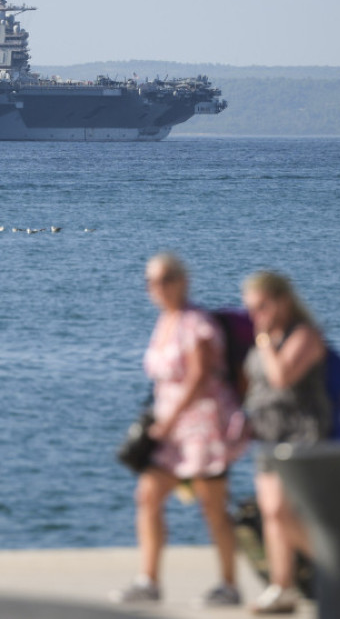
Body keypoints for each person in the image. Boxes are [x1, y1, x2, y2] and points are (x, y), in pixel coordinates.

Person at [111, 253, 246, 607]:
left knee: (213, 506)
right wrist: (162, 420)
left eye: (165, 278)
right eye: (151, 281)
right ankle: (148, 581)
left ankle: (229, 585)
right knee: (148, 495)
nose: (156, 287)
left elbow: (200, 377)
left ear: (183, 281)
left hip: (202, 427)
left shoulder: (196, 323)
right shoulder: (166, 321)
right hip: (170, 430)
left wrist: (169, 421)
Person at [241, 271, 330, 615]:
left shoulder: (304, 335)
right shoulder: (266, 336)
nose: (256, 315)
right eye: (251, 308)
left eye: (262, 306)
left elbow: (280, 378)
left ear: (283, 301)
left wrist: (262, 340)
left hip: (301, 433)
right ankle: (283, 588)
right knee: (272, 514)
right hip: (267, 434)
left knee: (281, 510)